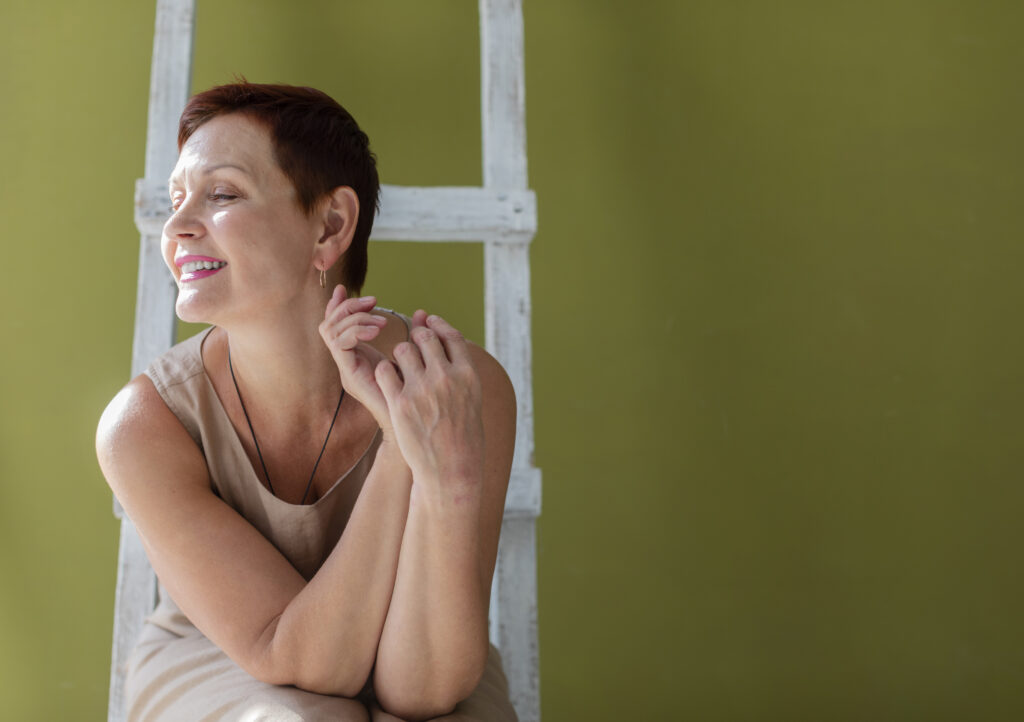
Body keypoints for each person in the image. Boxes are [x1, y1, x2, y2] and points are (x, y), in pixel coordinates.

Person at [96, 82, 519, 722]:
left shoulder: (460, 389)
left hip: (417, 660)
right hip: (219, 656)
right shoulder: (144, 425)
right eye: (177, 199)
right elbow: (299, 661)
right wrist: (401, 454)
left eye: (222, 194)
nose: (177, 227)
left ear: (330, 226)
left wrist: (444, 475)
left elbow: (424, 689)